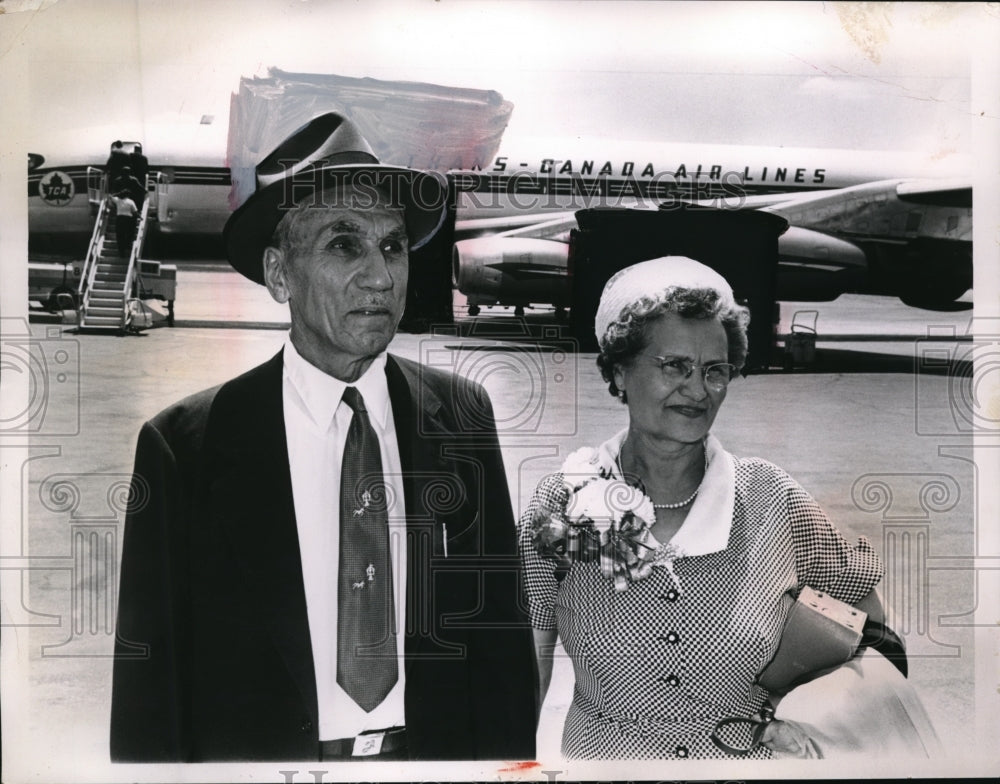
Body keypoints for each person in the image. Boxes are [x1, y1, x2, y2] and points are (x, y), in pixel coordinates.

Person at [110, 113, 537, 762]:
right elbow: (150, 692)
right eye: (345, 245)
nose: (381, 277)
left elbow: (501, 650)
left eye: (392, 246)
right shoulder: (185, 448)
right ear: (280, 274)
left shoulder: (460, 416)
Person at [519, 256, 885, 760]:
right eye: (675, 366)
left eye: (716, 371)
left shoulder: (770, 497)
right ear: (620, 370)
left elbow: (874, 637)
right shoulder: (561, 505)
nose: (698, 390)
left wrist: (811, 715)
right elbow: (524, 677)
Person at [109, 190, 137, 258]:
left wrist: (118, 193)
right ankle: (128, 248)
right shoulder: (131, 201)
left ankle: (122, 253)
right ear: (128, 195)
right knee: (128, 234)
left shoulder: (118, 200)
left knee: (120, 236)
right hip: (128, 220)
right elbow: (135, 212)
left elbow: (110, 196)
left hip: (120, 219)